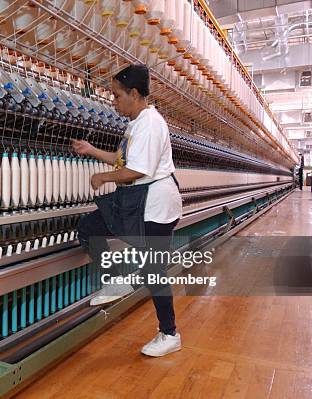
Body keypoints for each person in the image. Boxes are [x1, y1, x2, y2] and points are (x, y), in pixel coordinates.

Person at [72, 63, 183, 357]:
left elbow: (136, 170)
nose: (114, 100)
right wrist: (92, 150)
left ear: (134, 93)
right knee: (89, 228)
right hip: (139, 203)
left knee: (153, 270)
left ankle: (169, 333)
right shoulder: (135, 124)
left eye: (117, 95)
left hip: (155, 205)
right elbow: (122, 161)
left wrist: (101, 178)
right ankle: (118, 281)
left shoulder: (149, 123)